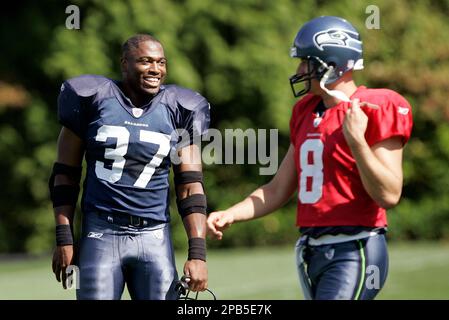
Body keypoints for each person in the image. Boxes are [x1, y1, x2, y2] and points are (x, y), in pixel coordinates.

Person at [207, 16, 413, 300]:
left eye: (306, 61)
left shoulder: (375, 107)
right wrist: (231, 213)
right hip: (312, 251)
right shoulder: (306, 111)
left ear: (333, 62)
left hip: (355, 248)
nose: (299, 69)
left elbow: (389, 194)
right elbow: (278, 188)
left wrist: (356, 141)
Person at [49, 34, 211, 300]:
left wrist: (198, 254)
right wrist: (64, 237)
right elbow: (64, 177)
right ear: (125, 63)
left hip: (154, 233)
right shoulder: (92, 99)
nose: (155, 69)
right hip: (101, 231)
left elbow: (191, 187)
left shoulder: (179, 108)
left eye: (161, 62)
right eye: (145, 61)